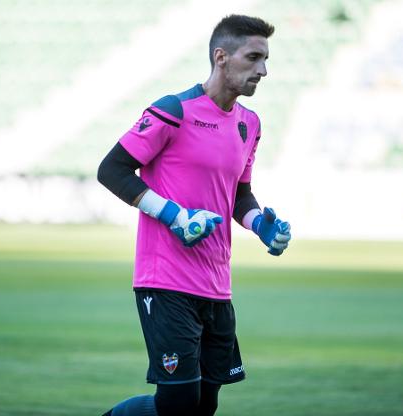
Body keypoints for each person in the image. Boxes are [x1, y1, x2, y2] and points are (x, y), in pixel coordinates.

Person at [97, 14, 291, 416]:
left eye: (266, 59)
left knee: (203, 406)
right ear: (221, 57)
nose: (264, 70)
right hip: (165, 280)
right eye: (254, 57)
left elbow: (239, 195)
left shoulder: (249, 124)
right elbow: (111, 169)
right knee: (179, 402)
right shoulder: (174, 110)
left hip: (216, 285)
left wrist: (261, 225)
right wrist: (174, 216)